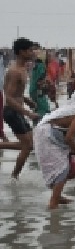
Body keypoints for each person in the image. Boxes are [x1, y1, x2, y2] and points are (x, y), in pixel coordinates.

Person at [33, 84, 75, 209]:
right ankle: (53, 206)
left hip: (48, 134)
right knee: (62, 170)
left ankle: (57, 195)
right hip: (47, 136)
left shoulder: (73, 107)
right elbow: (69, 138)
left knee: (68, 167)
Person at [1, 38, 40, 179]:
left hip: (18, 111)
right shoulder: (14, 71)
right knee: (27, 146)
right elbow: (9, 98)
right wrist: (28, 113)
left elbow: (16, 93)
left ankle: (2, 146)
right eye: (29, 50)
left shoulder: (23, 69)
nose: (32, 52)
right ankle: (14, 177)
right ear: (21, 52)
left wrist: (27, 100)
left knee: (31, 144)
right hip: (12, 112)